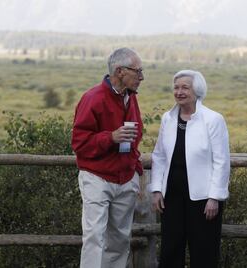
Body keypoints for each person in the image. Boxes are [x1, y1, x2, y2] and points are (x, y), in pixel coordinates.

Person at [71, 47, 144, 268]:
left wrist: (135, 169)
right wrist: (110, 137)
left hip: (124, 178)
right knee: (94, 237)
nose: (142, 77)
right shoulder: (92, 98)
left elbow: (136, 134)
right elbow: (79, 144)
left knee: (120, 240)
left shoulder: (130, 98)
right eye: (137, 71)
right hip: (97, 178)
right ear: (120, 71)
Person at [150, 70, 230, 268]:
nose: (179, 92)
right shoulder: (167, 119)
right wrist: (157, 189)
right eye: (176, 87)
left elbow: (221, 161)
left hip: (203, 199)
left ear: (197, 91)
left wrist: (215, 197)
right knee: (170, 249)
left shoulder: (213, 119)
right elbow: (159, 156)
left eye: (185, 87)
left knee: (204, 251)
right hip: (171, 196)